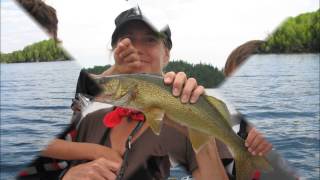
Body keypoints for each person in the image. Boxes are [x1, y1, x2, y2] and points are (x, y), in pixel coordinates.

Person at [60, 7, 272, 180]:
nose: (137, 49)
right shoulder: (89, 111)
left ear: (167, 52)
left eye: (150, 39)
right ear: (115, 50)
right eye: (127, 40)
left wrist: (203, 136)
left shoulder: (191, 105)